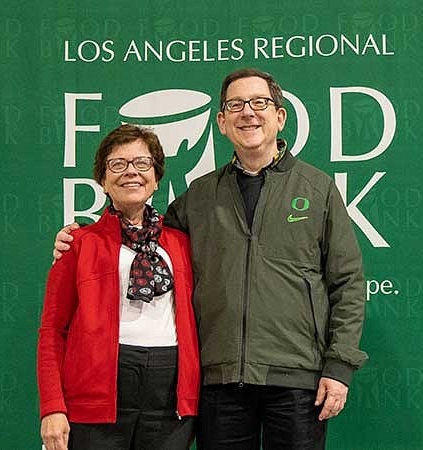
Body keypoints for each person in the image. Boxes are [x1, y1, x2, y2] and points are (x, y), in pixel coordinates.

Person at [54, 68, 366, 449]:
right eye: (235, 105)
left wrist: (339, 366)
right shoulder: (200, 195)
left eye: (259, 103)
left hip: (298, 379)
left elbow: (348, 283)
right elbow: (140, 233)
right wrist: (79, 239)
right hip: (219, 382)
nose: (247, 112)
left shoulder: (317, 189)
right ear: (221, 122)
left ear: (280, 116)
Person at [38, 124, 200, 450]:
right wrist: (52, 407)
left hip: (170, 399)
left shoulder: (182, 243)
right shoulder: (78, 243)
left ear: (156, 178)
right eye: (118, 164)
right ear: (102, 179)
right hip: (97, 397)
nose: (131, 173)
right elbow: (52, 331)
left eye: (142, 164)